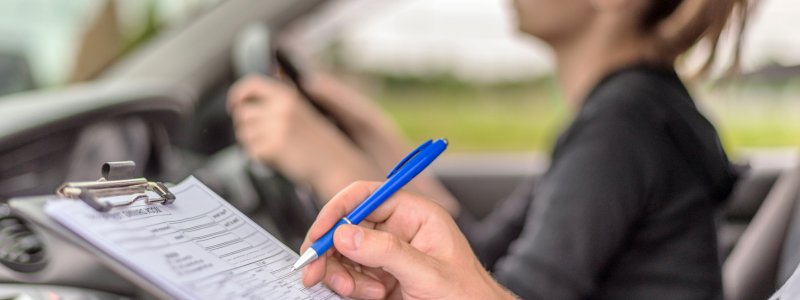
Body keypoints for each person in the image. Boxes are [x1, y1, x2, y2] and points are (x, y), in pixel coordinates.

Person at [226, 0, 752, 298]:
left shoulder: (625, 125)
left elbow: (515, 291)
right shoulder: (634, 108)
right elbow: (484, 252)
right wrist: (373, 136)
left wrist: (327, 163)